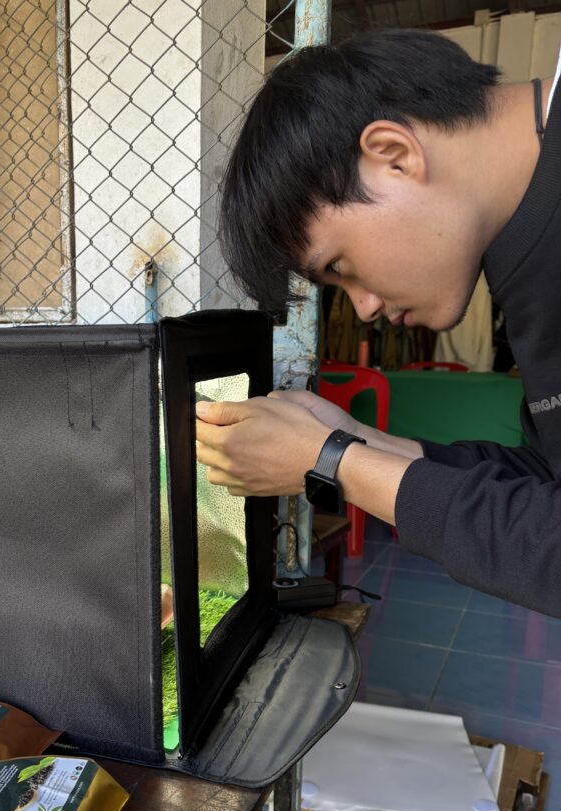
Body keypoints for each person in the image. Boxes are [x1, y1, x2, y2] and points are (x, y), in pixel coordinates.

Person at [195, 28, 561, 617]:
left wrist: (332, 462)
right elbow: (545, 482)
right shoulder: (526, 241)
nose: (364, 308)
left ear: (393, 155)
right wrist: (354, 440)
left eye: (339, 266)